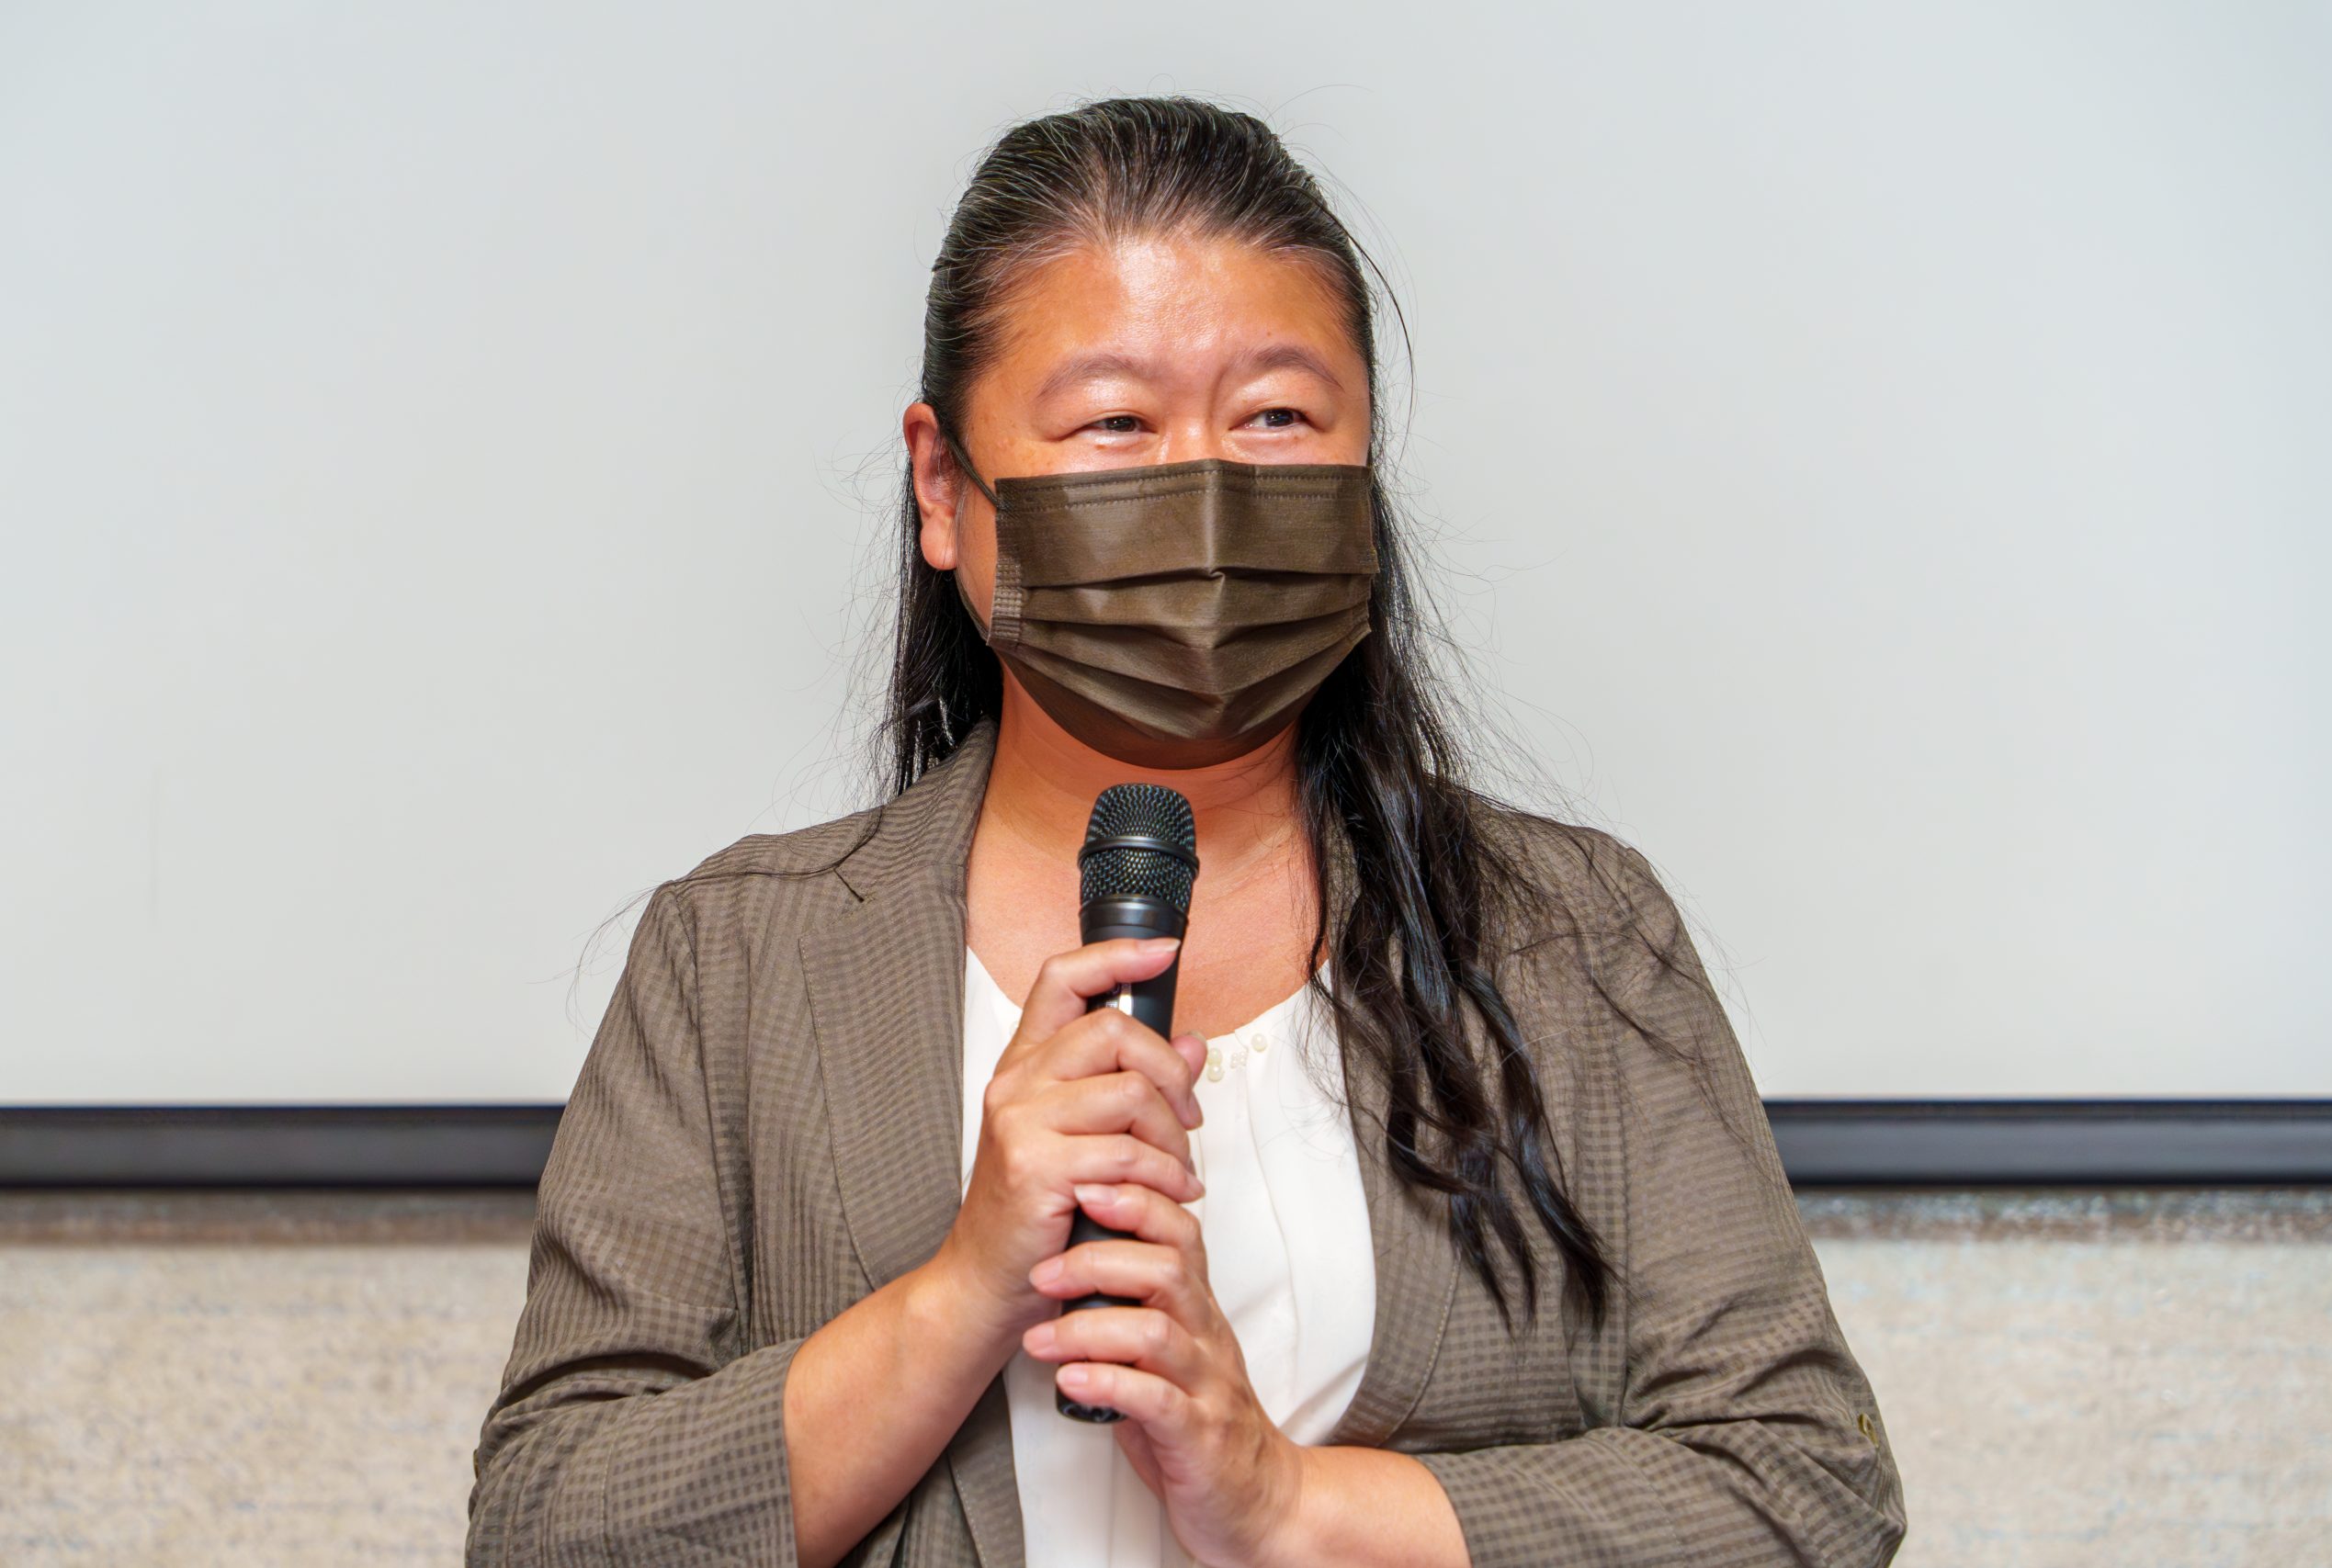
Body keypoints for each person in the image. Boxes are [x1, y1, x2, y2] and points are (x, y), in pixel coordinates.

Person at [467, 96, 1907, 1568]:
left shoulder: (1573, 935)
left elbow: (1808, 1492)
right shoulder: (736, 962)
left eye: (1278, 415)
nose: (1207, 492)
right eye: (1115, 423)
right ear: (944, 485)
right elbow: (546, 1528)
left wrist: (1288, 1505)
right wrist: (961, 1291)